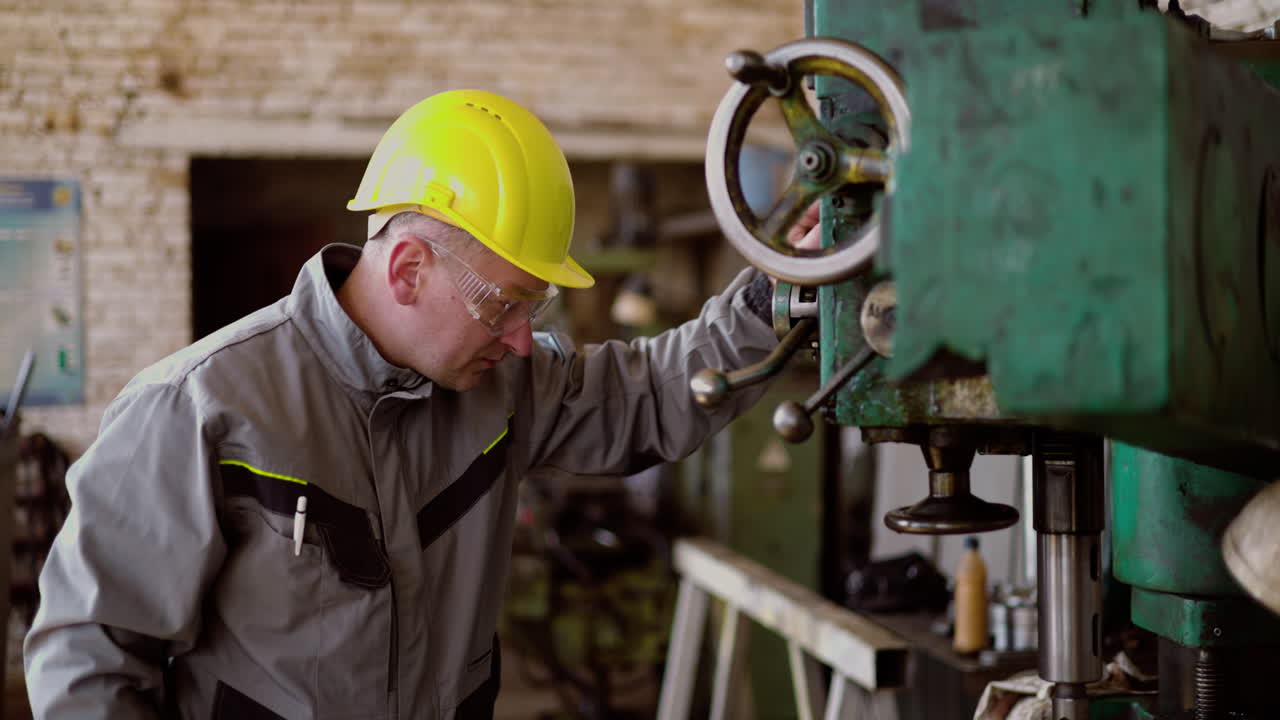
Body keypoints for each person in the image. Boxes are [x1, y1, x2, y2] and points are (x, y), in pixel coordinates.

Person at [23, 89, 822, 719]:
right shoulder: (196, 408)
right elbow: (90, 662)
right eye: (504, 306)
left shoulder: (500, 388)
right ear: (407, 270)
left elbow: (642, 395)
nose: (519, 341)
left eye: (532, 312)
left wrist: (770, 303)